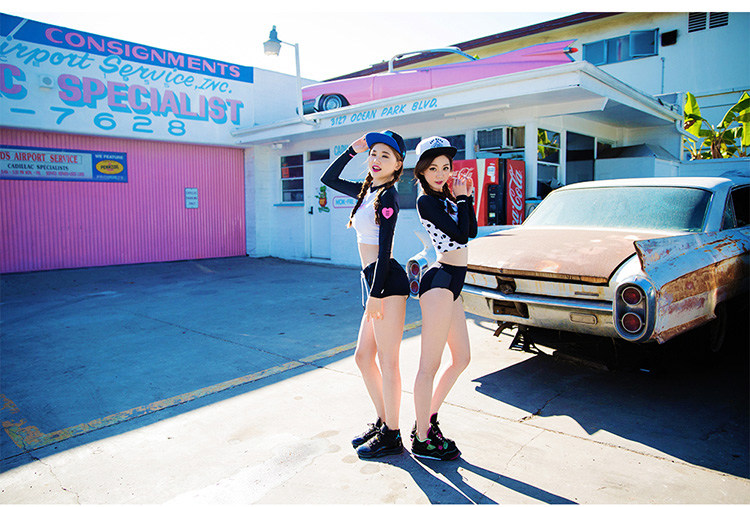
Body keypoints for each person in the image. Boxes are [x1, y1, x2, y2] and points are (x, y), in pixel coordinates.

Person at [320, 130, 410, 459]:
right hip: (375, 282)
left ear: (398, 165)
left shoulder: (387, 196)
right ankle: (384, 422)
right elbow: (328, 179)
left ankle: (392, 434)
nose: (376, 159)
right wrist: (351, 150)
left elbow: (385, 250)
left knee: (387, 361)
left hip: (385, 284)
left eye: (385, 156)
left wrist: (376, 293)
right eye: (373, 153)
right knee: (363, 357)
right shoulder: (367, 191)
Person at [411, 136, 477, 460]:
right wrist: (462, 199)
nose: (440, 174)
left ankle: (428, 419)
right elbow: (459, 235)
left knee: (461, 358)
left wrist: (466, 198)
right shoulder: (426, 202)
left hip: (453, 284)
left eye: (445, 167)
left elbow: (471, 231)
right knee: (430, 365)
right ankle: (422, 438)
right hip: (439, 283)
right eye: (433, 168)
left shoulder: (448, 197)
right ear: (422, 172)